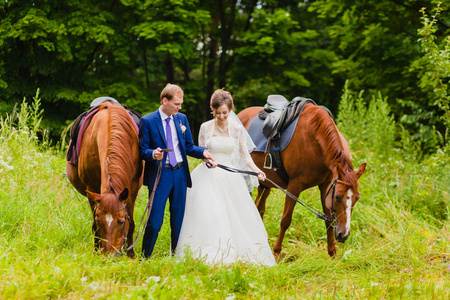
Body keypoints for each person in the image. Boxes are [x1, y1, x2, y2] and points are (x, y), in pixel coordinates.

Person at [174, 89, 276, 266]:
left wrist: (257, 171)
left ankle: (236, 250)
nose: (221, 116)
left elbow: (244, 156)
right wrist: (208, 160)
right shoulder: (205, 127)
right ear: (212, 110)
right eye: (218, 113)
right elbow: (202, 152)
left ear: (231, 110)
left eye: (225, 113)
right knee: (211, 212)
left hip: (230, 177)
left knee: (235, 214)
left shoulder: (237, 129)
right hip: (209, 175)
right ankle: (208, 251)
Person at [139, 83, 214, 258]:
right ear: (165, 100)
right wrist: (152, 154)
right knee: (154, 221)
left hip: (180, 174)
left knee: (178, 218)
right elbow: (142, 150)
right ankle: (145, 257)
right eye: (176, 104)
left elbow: (187, 146)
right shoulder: (148, 121)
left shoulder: (182, 119)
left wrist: (203, 152)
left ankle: (176, 256)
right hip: (160, 174)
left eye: (181, 104)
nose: (180, 108)